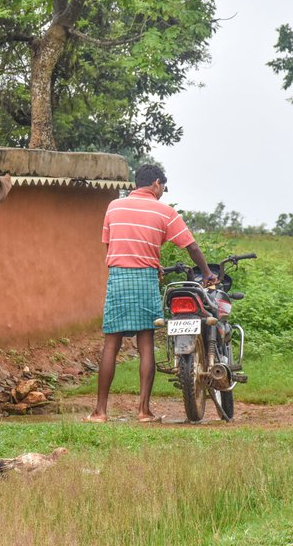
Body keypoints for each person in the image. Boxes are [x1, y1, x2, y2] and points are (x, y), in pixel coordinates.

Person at [86, 164, 216, 423]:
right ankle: (143, 411)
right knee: (145, 344)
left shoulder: (114, 207)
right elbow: (191, 246)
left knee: (111, 343)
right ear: (156, 184)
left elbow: (111, 246)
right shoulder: (164, 212)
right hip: (145, 279)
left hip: (118, 277)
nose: (163, 192)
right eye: (163, 187)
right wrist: (207, 273)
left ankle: (100, 412)